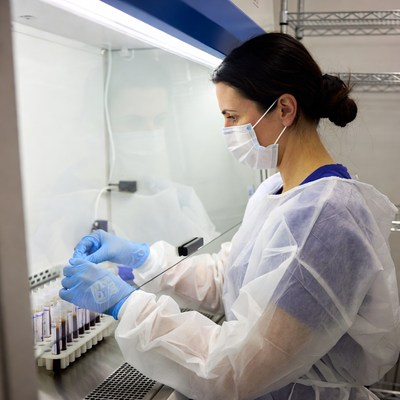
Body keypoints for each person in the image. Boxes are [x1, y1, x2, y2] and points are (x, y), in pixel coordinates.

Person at [59, 33, 400, 400]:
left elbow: (238, 369)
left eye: (233, 117)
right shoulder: (278, 192)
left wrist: (126, 305)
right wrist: (145, 258)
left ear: (285, 109)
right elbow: (231, 279)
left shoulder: (327, 220)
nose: (227, 131)